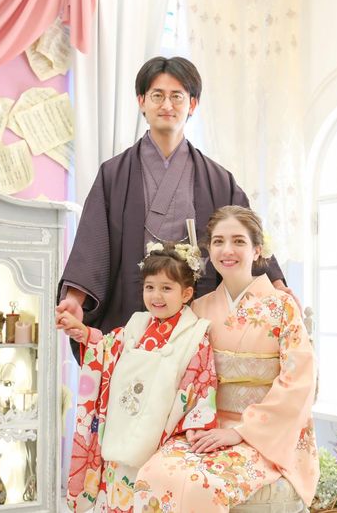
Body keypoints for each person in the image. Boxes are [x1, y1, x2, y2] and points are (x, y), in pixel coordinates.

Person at [56, 56, 289, 362]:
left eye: (177, 96)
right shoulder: (114, 174)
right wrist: (75, 299)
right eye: (157, 95)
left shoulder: (218, 179)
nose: (167, 104)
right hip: (137, 304)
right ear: (141, 101)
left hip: (197, 309)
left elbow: (247, 235)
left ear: (192, 104)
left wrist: (278, 285)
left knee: (195, 386)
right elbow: (92, 242)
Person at [132, 206, 319, 512]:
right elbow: (180, 372)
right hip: (207, 425)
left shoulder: (282, 306)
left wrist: (238, 432)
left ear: (257, 250)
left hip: (265, 435)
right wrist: (193, 422)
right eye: (218, 241)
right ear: (209, 249)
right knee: (152, 474)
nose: (227, 250)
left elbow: (299, 380)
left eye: (238, 241)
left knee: (199, 484)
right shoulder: (199, 308)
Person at [59, 242, 218, 512]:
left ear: (186, 293)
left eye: (166, 288)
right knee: (116, 493)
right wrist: (83, 332)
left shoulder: (195, 335)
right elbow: (107, 348)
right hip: (120, 426)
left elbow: (201, 384)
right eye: (149, 287)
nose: (156, 296)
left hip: (161, 436)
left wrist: (192, 429)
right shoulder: (137, 324)